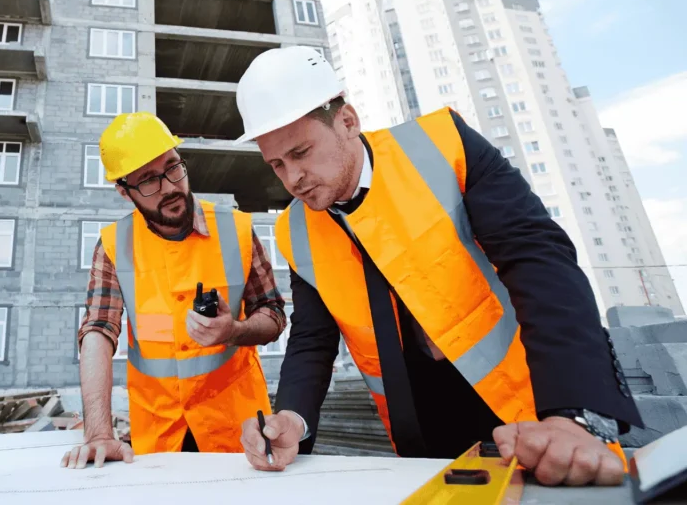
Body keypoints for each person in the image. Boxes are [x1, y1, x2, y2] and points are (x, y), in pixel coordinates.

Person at [233, 47, 643, 487]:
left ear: (348, 122)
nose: (292, 177)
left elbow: (538, 261)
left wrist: (572, 410)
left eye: (301, 152)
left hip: (529, 407)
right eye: (277, 164)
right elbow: (313, 340)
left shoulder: (444, 145)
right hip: (420, 430)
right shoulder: (297, 229)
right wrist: (293, 418)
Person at [61, 112, 287, 469]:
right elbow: (98, 331)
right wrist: (98, 433)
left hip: (240, 434)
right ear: (124, 190)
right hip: (160, 436)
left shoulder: (237, 230)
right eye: (148, 181)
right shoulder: (113, 246)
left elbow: (273, 314)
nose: (169, 187)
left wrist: (236, 331)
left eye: (172, 168)